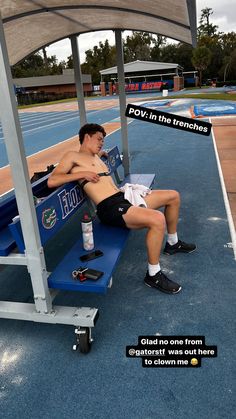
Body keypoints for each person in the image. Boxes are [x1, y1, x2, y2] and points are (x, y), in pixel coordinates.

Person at [48, 123, 196, 295]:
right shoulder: (72, 156)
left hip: (123, 198)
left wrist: (101, 153)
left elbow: (98, 158)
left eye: (103, 140)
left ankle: (172, 243)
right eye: (99, 139)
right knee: (157, 219)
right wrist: (82, 174)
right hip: (109, 207)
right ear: (86, 137)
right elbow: (52, 181)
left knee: (173, 196)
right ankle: (153, 274)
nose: (102, 143)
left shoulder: (95, 156)